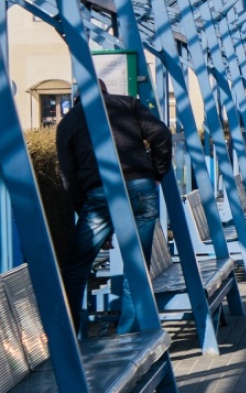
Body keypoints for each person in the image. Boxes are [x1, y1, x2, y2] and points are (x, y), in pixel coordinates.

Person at [56, 79, 173, 335]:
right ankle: (128, 335)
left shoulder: (68, 123)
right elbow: (161, 134)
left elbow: (70, 179)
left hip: (100, 195)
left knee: (76, 268)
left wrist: (84, 212)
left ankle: (72, 337)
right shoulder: (128, 104)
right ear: (106, 91)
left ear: (76, 98)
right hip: (141, 188)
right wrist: (157, 173)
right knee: (137, 265)